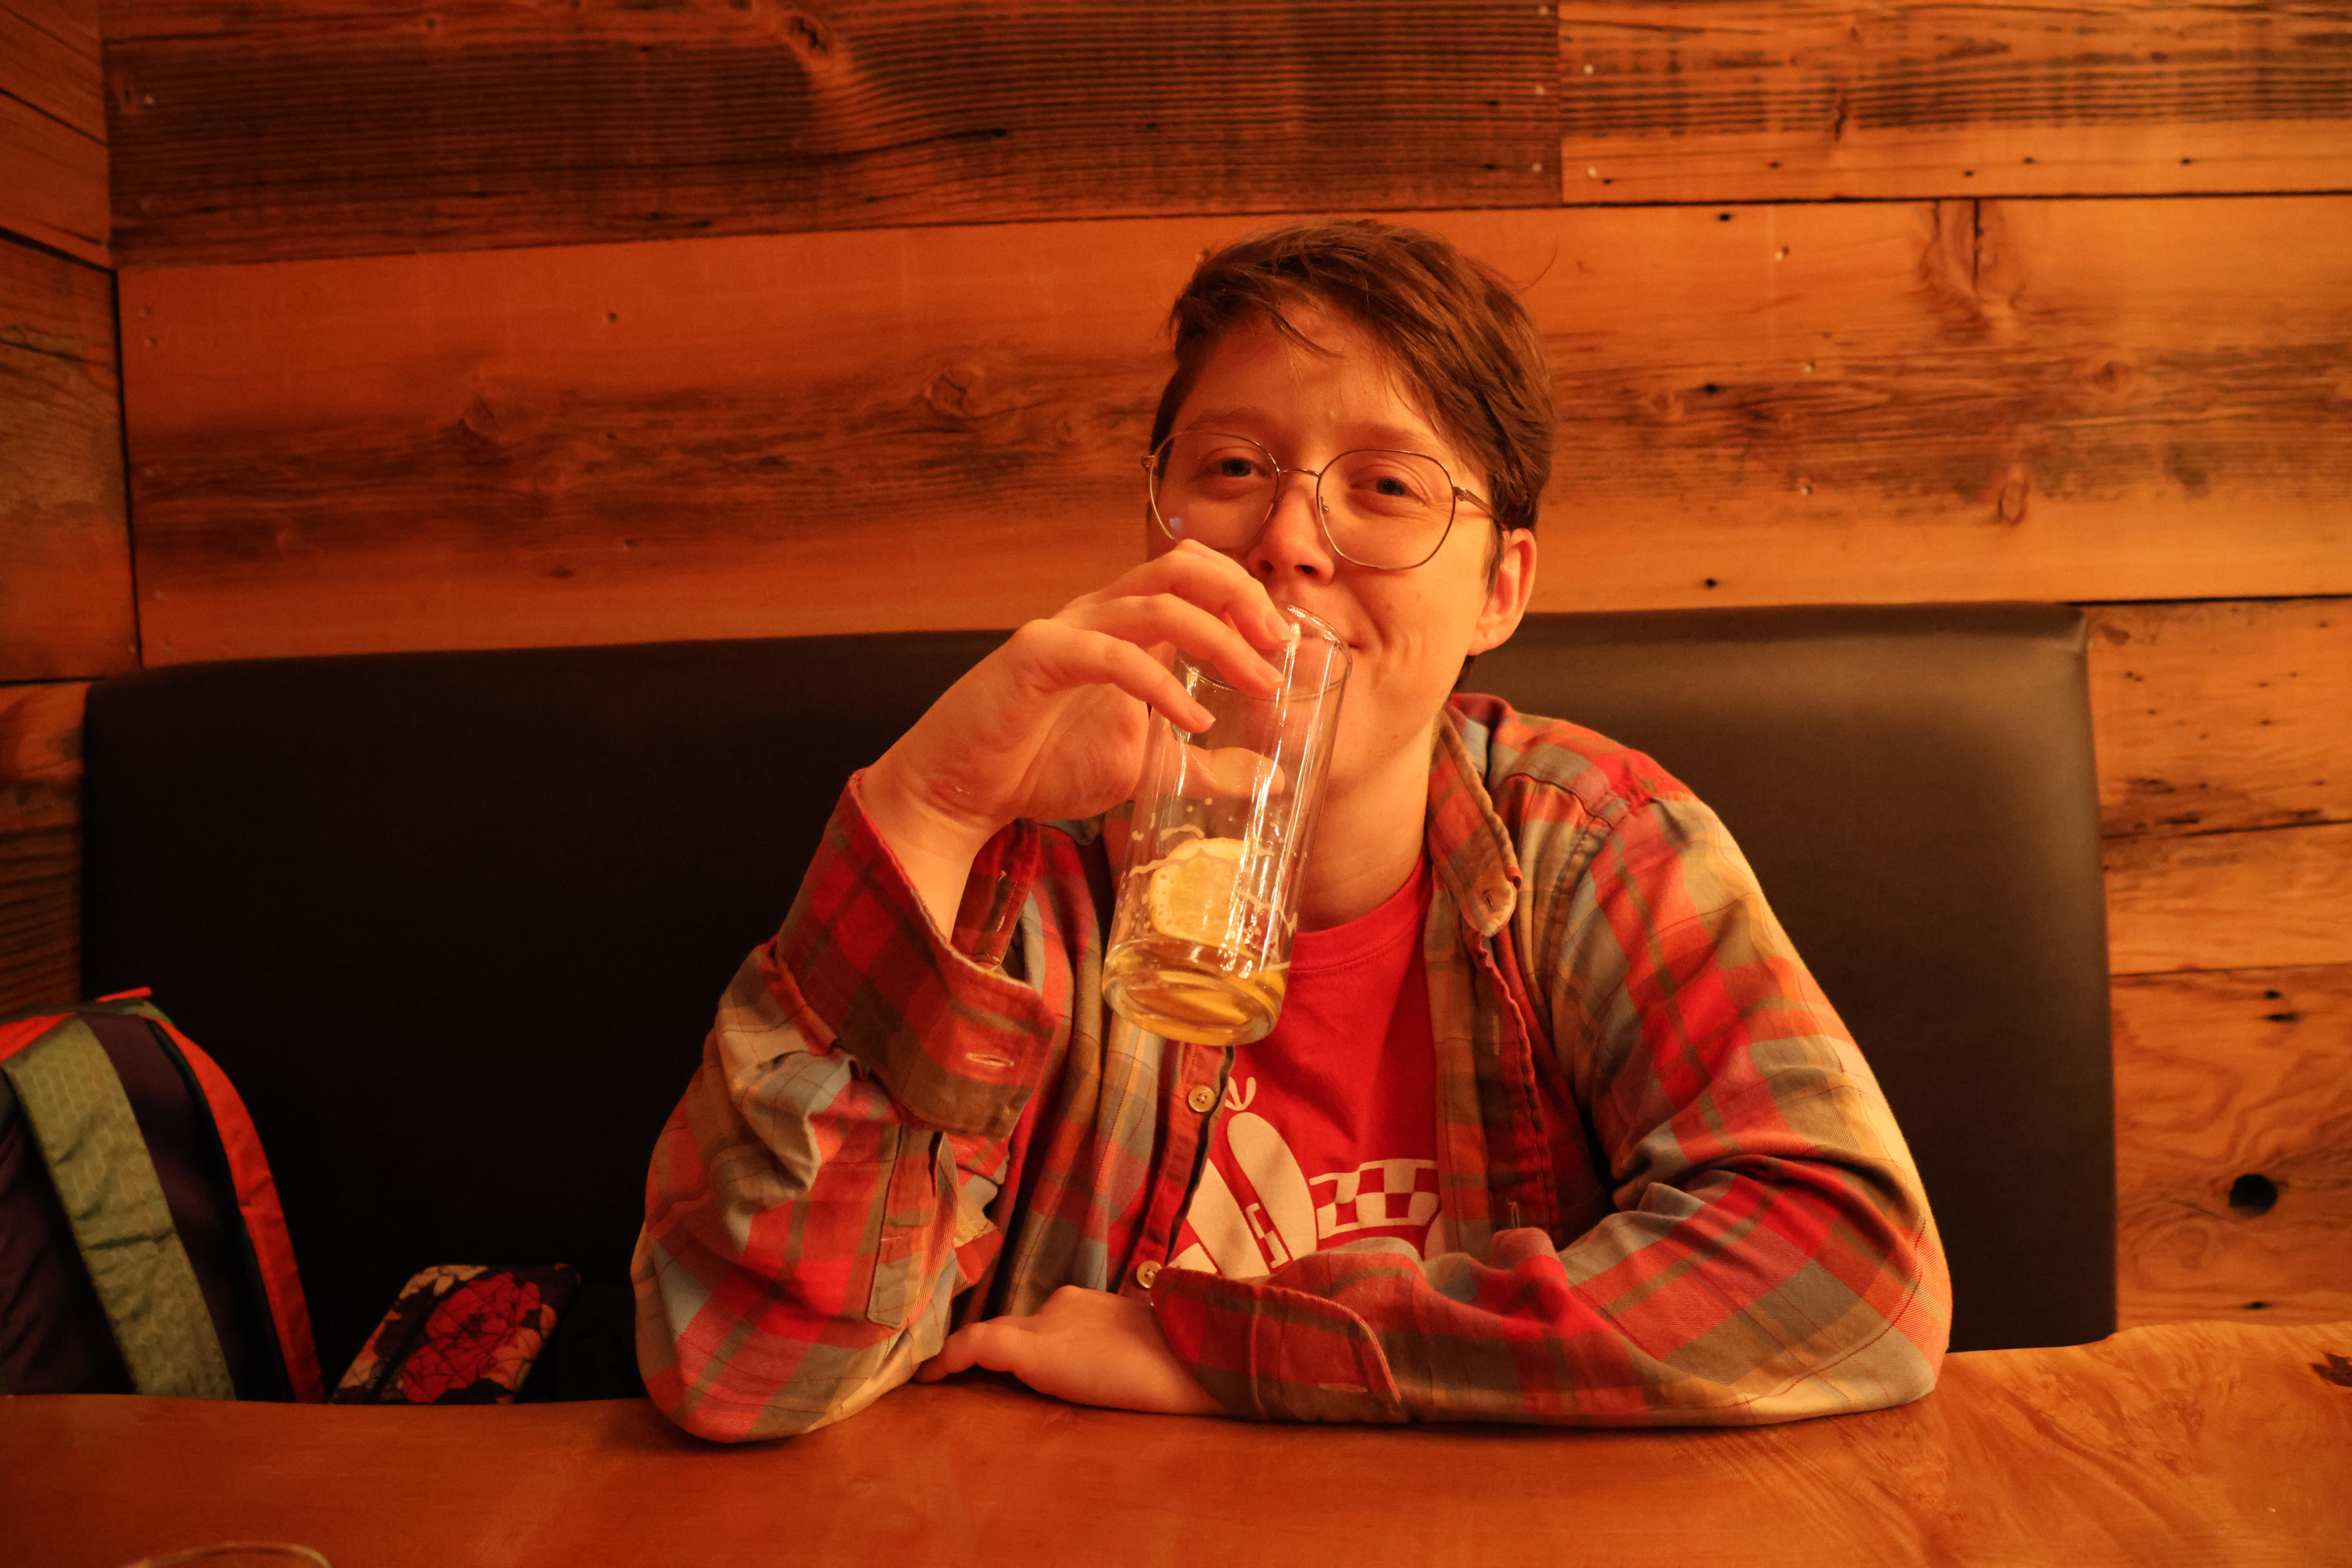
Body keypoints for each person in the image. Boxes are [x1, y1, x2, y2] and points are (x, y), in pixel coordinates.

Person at [632, 220, 1951, 1439]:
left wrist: (1223, 1349)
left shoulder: (1589, 842)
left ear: (1501, 586)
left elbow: (1846, 1274)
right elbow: (740, 1368)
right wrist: (929, 810)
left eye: (1382, 486)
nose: (1287, 540)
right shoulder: (1021, 857)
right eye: (1233, 470)